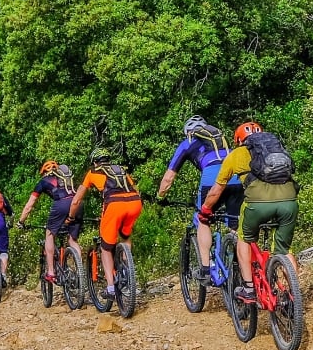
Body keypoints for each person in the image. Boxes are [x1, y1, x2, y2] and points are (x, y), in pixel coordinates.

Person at [202, 121, 297, 304]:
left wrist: (205, 210)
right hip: (289, 202)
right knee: (284, 250)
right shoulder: (277, 151)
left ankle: (248, 289)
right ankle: (294, 297)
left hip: (257, 204)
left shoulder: (235, 154)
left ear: (238, 140)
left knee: (243, 238)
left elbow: (216, 191)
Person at [157, 116, 239, 282]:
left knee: (203, 219)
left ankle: (206, 269)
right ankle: (239, 262)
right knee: (235, 224)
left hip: (212, 177)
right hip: (236, 176)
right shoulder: (219, 137)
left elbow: (168, 178)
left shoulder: (187, 142)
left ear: (188, 131)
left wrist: (160, 197)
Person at [68, 148, 143, 306]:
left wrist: (71, 217)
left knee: (106, 248)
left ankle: (110, 287)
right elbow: (134, 189)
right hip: (135, 203)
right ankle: (126, 269)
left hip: (114, 205)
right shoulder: (120, 169)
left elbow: (76, 200)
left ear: (95, 162)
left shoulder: (93, 172)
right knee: (125, 235)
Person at [19, 160, 82, 284]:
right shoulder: (65, 177)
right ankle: (80, 271)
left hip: (62, 204)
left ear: (44, 172)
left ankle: (51, 272)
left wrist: (21, 221)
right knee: (72, 240)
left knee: (49, 234)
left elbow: (29, 206)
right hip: (78, 203)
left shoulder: (43, 182)